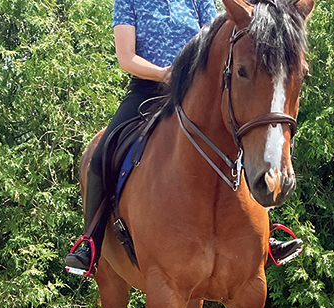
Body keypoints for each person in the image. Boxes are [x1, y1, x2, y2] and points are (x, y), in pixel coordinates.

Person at [65, 0, 302, 275]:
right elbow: (126, 58)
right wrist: (162, 73)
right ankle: (91, 241)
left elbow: (217, 39)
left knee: (244, 138)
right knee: (104, 149)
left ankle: (265, 235)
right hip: (148, 90)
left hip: (196, 94)